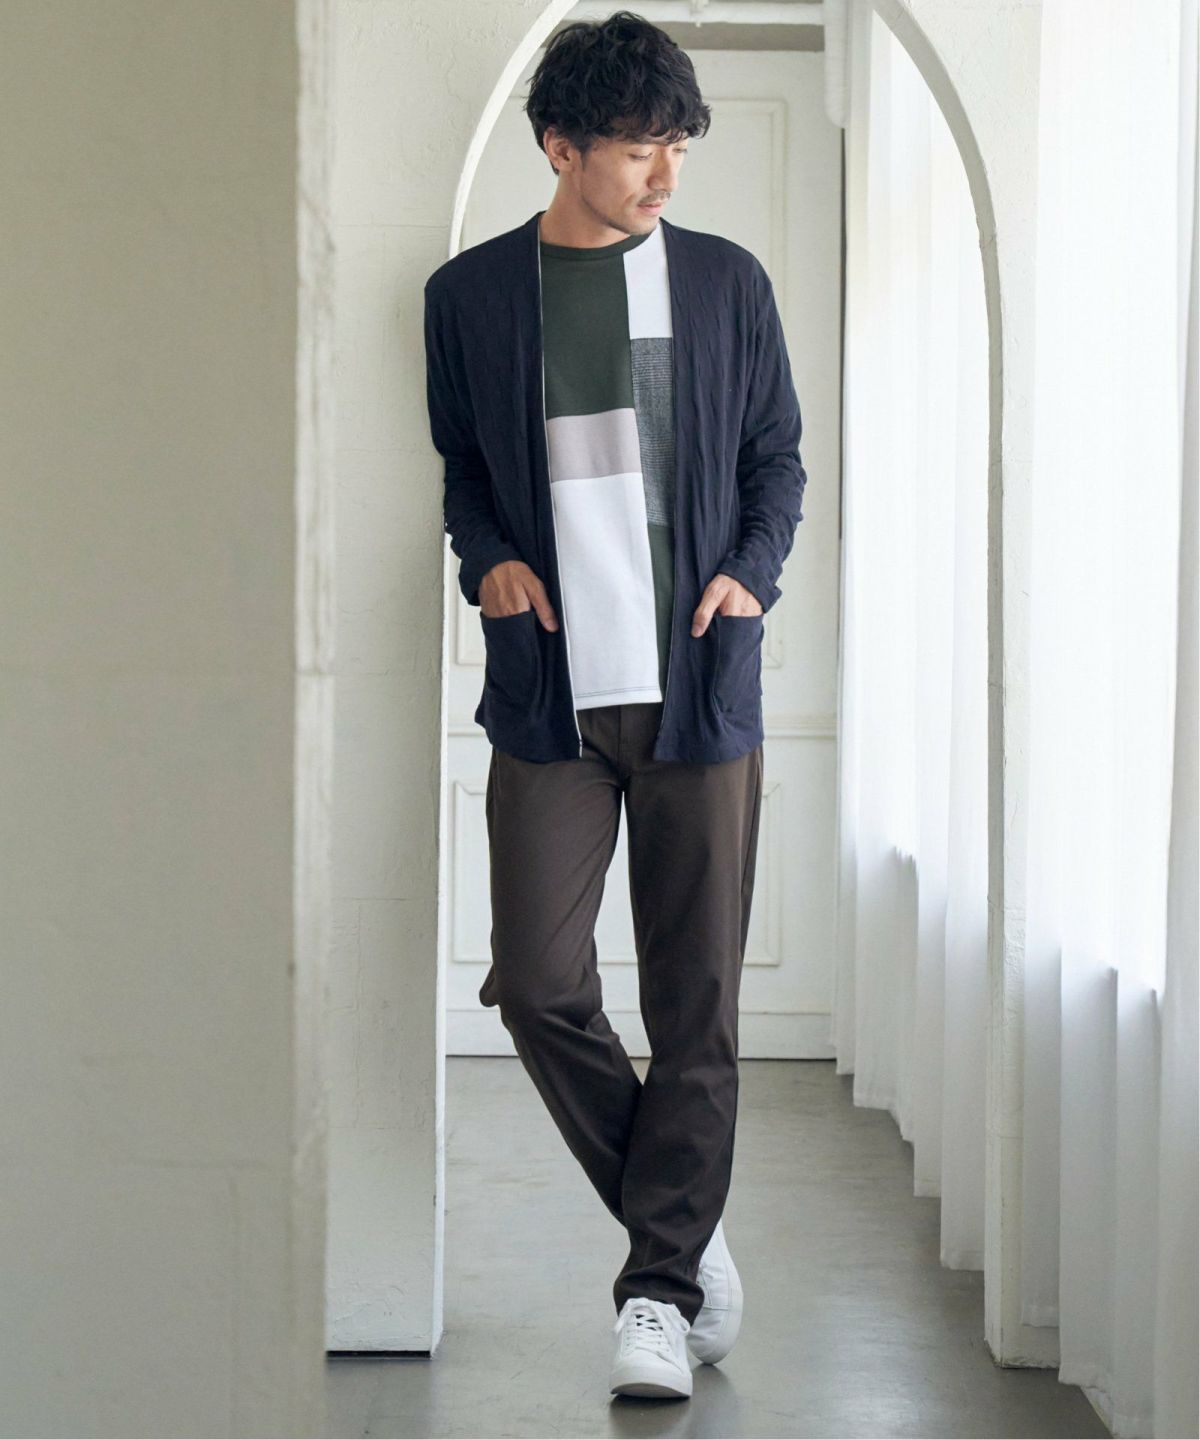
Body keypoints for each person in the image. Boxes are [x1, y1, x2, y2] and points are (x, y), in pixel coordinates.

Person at [423, 9, 807, 1402]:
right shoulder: (470, 296)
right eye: (640, 147)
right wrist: (489, 557)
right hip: (554, 696)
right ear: (560, 146)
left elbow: (776, 459)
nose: (666, 173)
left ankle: (656, 1289)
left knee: (697, 998)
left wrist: (750, 575)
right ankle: (683, 1228)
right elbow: (465, 467)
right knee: (536, 984)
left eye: (678, 145)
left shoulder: (724, 282)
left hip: (697, 686)